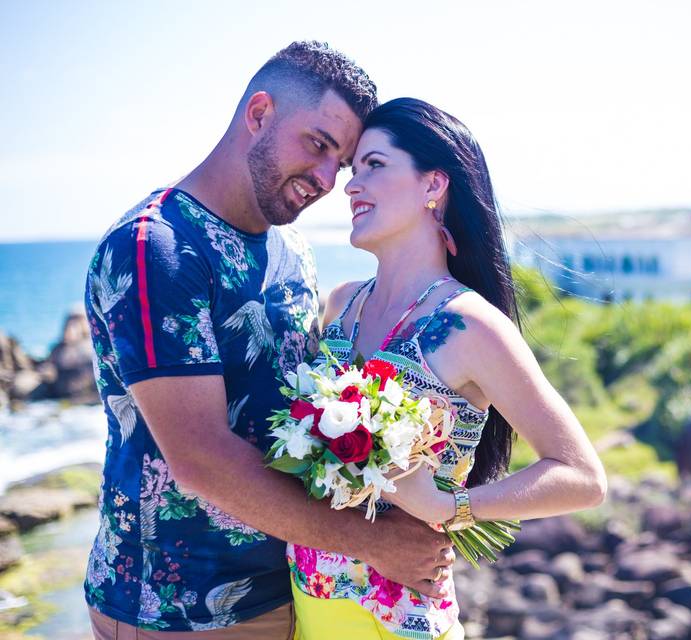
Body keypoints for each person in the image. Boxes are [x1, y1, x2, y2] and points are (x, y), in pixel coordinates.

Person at [83, 42, 457, 638]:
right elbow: (200, 458)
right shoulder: (157, 246)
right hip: (174, 610)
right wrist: (377, 543)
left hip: (291, 589)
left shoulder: (293, 251)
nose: (327, 179)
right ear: (258, 113)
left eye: (343, 162)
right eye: (318, 145)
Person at [289, 98, 608, 639]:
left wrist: (449, 505)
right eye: (352, 169)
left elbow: (582, 477)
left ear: (433, 185)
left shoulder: (468, 325)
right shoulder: (339, 305)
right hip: (306, 603)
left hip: (400, 622)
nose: (350, 185)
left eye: (375, 165)